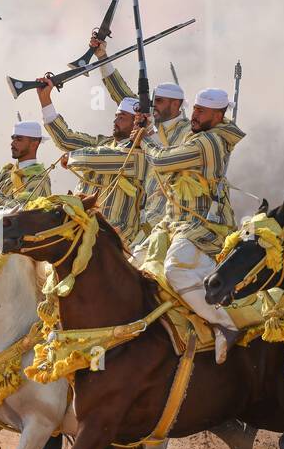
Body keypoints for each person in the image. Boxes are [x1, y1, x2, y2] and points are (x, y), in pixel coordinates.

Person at [139, 88, 245, 363]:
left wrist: (145, 139)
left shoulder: (209, 142)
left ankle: (225, 324)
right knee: (134, 262)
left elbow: (162, 161)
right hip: (172, 223)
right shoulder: (196, 136)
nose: (194, 114)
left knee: (177, 270)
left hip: (203, 225)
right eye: (194, 108)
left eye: (201, 111)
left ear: (218, 115)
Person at [35, 78, 148, 240]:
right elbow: (65, 139)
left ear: (136, 121)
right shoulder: (102, 143)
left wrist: (73, 157)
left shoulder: (142, 152)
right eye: (116, 116)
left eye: (122, 117)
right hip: (79, 224)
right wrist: (45, 100)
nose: (115, 121)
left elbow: (109, 159)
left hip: (115, 234)